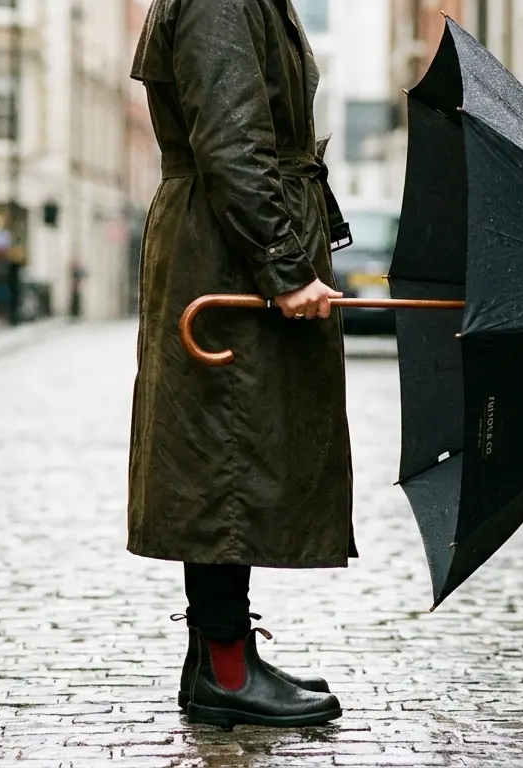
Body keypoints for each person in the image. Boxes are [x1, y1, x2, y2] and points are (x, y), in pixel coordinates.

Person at [127, 0, 355, 728]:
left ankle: (219, 660)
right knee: (224, 451)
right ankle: (225, 669)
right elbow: (231, 140)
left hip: (228, 246)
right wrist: (284, 266)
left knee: (238, 444)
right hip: (223, 254)